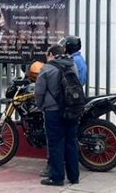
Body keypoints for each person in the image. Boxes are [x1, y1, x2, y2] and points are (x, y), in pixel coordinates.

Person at [35, 44, 80, 187]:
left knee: (55, 144)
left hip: (53, 112)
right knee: (72, 142)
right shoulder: (72, 66)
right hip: (71, 110)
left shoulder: (47, 69)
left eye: (47, 55)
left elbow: (39, 92)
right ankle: (74, 177)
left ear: (51, 55)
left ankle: (57, 178)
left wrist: (41, 105)